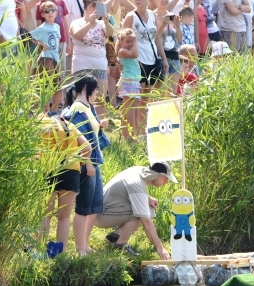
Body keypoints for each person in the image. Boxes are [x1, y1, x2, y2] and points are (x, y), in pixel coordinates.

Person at [62, 75, 108, 256]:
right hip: (86, 163)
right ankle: (80, 247)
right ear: (85, 89)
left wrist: (100, 125)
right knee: (82, 208)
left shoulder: (89, 108)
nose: (97, 92)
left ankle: (84, 244)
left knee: (94, 205)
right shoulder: (76, 109)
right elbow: (77, 139)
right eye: (95, 89)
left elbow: (91, 134)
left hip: (95, 161)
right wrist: (87, 162)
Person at [97, 163, 176, 259]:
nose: (166, 182)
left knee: (147, 207)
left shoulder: (140, 171)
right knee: (144, 212)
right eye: (165, 178)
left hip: (104, 209)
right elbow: (146, 220)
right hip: (101, 215)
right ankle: (121, 244)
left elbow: (129, 191)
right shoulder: (137, 183)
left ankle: (115, 236)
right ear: (155, 175)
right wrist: (160, 249)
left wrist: (148, 198)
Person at [38, 113, 90, 255]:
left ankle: (38, 250)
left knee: (45, 214)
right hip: (71, 170)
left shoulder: (42, 124)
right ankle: (59, 254)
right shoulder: (71, 126)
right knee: (64, 217)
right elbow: (88, 148)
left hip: (49, 168)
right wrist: (81, 163)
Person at [70, 0, 113, 116]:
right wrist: (89, 23)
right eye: (99, 7)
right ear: (90, 7)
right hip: (82, 64)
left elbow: (109, 33)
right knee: (82, 98)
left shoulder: (101, 24)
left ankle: (99, 129)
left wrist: (106, 21)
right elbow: (77, 35)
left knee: (100, 100)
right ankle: (82, 126)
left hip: (100, 64)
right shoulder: (77, 22)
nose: (101, 10)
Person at [123, 0, 166, 97]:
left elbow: (156, 38)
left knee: (147, 97)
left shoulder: (152, 15)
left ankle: (144, 115)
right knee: (138, 96)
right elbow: (122, 38)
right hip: (138, 59)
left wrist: (164, 58)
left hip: (152, 58)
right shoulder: (130, 16)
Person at [150, 0, 181, 94]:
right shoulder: (151, 16)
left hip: (174, 55)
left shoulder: (173, 15)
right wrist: (163, 24)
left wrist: (178, 26)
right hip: (159, 56)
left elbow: (179, 39)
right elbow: (154, 37)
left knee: (172, 93)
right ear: (154, 0)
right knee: (160, 93)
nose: (164, 0)